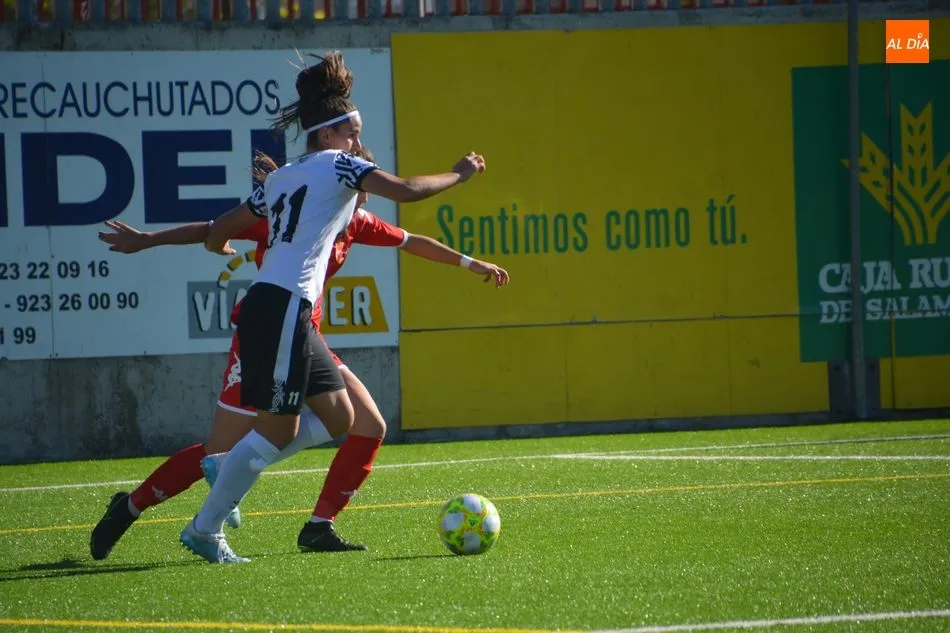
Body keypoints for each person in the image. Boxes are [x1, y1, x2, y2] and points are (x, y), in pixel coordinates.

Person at [89, 147, 507, 561]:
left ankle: (319, 526)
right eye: (363, 181)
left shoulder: (355, 221)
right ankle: (130, 507)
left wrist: (470, 263)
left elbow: (412, 241)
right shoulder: (294, 212)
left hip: (306, 337)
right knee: (218, 449)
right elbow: (212, 228)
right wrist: (145, 241)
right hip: (264, 338)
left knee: (366, 424)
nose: (365, 193)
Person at [180, 50, 486, 564]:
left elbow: (223, 226)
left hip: (285, 309)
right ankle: (205, 527)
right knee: (278, 430)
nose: (358, 146)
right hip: (282, 306)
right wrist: (458, 175)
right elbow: (406, 190)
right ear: (326, 135)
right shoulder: (340, 166)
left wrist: (217, 244)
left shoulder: (284, 176)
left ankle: (229, 470)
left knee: (342, 416)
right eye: (352, 135)